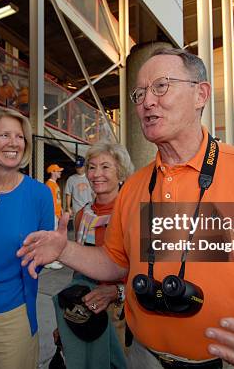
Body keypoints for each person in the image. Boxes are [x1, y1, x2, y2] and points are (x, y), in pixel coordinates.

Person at [18, 48, 234, 369]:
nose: (147, 101)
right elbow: (114, 262)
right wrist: (65, 249)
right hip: (144, 358)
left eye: (161, 86)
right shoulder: (135, 187)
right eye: (139, 94)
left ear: (201, 94)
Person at [0, 107, 54, 369]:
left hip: (12, 316)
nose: (14, 143)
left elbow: (42, 257)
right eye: (4, 135)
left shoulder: (39, 195)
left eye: (19, 137)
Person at [74, 142, 134, 351]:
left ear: (121, 172)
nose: (96, 173)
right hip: (85, 304)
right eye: (92, 167)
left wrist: (116, 292)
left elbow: (146, 272)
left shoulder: (133, 213)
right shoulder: (83, 215)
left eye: (105, 167)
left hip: (120, 311)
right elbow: (77, 268)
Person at [45, 163, 65, 270]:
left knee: (54, 237)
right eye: (58, 171)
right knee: (51, 237)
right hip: (52, 214)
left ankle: (52, 258)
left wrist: (61, 210)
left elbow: (57, 200)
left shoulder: (55, 184)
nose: (60, 172)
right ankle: (48, 261)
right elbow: (49, 202)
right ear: (52, 172)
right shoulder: (49, 184)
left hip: (56, 214)